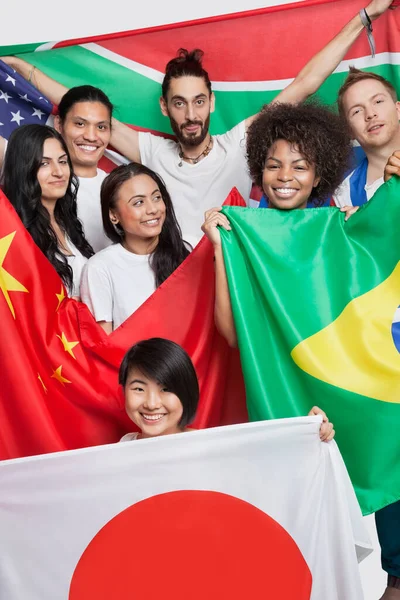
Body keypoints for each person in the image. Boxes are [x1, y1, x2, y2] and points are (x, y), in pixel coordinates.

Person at [1, 0, 393, 245]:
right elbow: (83, 110)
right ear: (164, 107)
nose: (191, 115)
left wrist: (362, 17)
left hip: (234, 276)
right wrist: (23, 72)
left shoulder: (239, 143)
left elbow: (305, 83)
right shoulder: (150, 151)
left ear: (212, 103)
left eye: (199, 102)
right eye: (179, 103)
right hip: (172, 283)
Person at [201, 101, 352, 347]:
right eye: (274, 165)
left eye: (300, 167)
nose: (284, 176)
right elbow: (231, 335)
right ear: (260, 171)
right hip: (271, 381)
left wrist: (365, 231)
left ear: (317, 178)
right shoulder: (240, 237)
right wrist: (220, 247)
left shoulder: (335, 234)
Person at [118, 337, 335, 442]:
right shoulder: (121, 449)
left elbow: (269, 468)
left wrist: (309, 434)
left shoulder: (210, 446)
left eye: (166, 389)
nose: (152, 403)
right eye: (138, 389)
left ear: (186, 393)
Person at [0, 85, 113, 252]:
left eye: (101, 127)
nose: (90, 136)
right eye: (80, 123)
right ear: (59, 124)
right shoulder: (24, 161)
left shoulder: (118, 188)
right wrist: (22, 68)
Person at [80, 163, 190, 333]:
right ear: (113, 215)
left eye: (156, 197)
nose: (153, 209)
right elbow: (103, 345)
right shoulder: (99, 268)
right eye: (138, 203)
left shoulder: (186, 253)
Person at [1, 124, 94, 298]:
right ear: (24, 169)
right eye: (44, 163)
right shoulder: (13, 233)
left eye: (63, 161)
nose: (59, 172)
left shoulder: (68, 223)